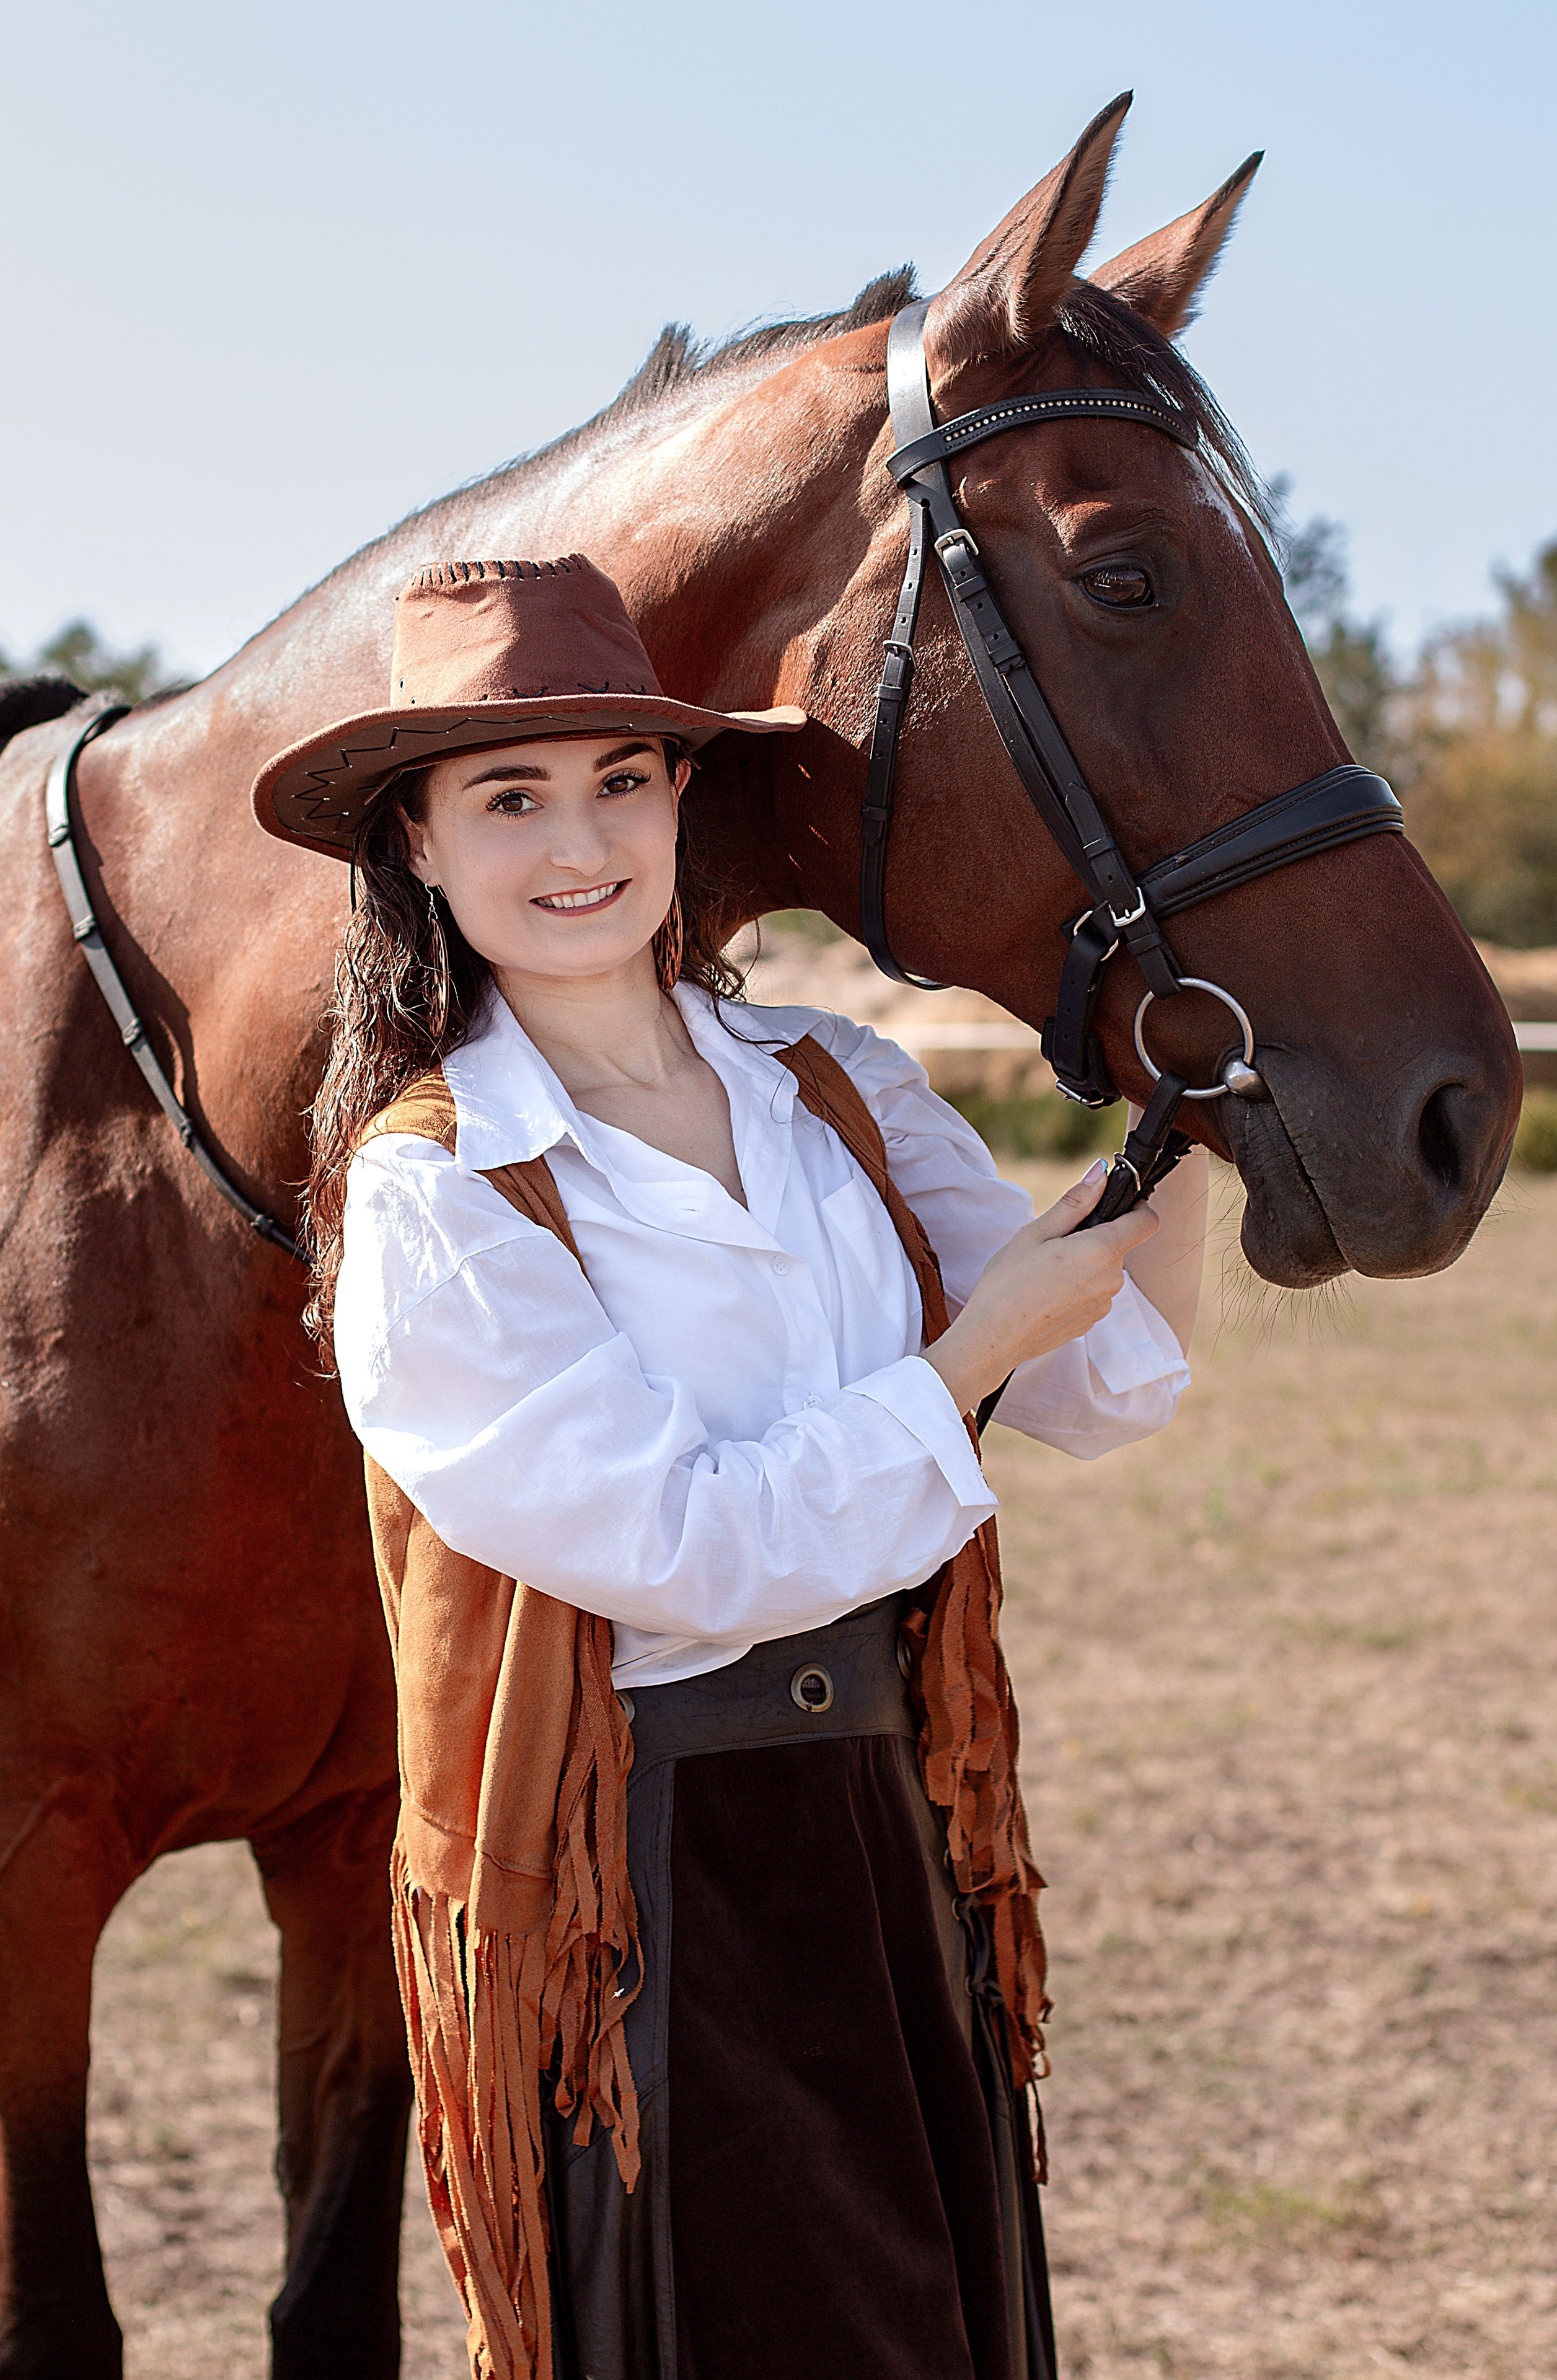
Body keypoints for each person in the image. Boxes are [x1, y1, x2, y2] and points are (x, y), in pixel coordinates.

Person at [251, 553, 1207, 2380]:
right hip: (655, 1882)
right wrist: (975, 1353)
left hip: (896, 1818)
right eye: (507, 799)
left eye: (618, 778)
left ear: (682, 798)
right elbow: (684, 1547)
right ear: (422, 852)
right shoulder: (436, 1191)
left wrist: (1200, 1121)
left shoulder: (832, 1081)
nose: (577, 840)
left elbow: (1092, 1388)